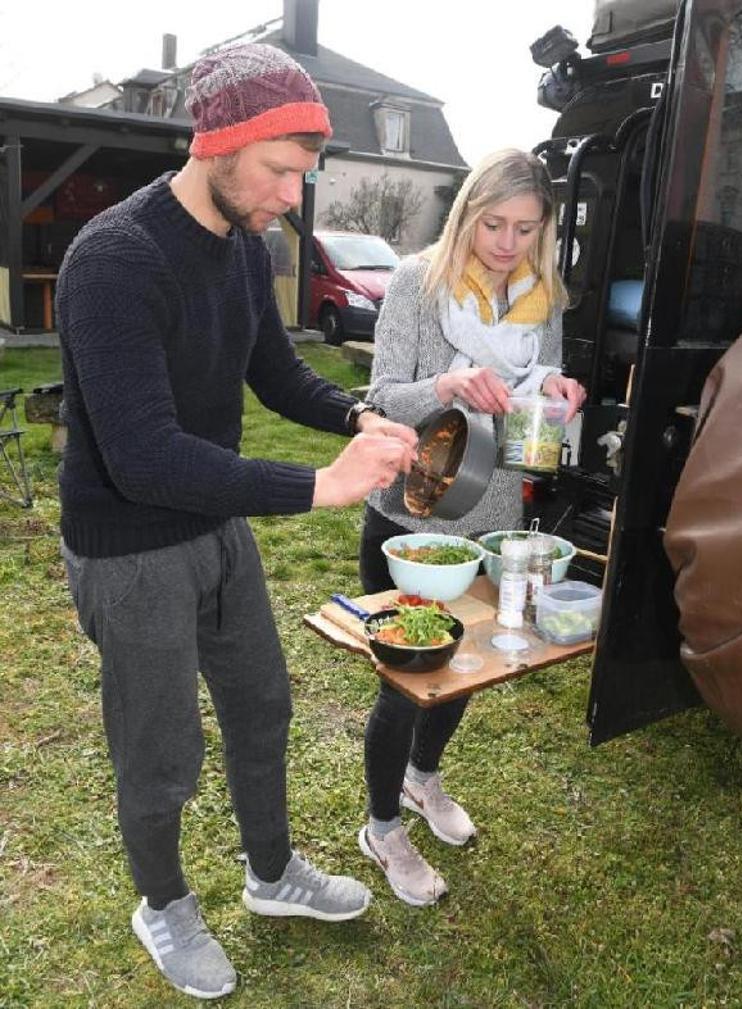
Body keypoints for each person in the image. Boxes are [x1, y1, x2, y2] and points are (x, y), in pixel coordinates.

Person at [55, 43, 417, 1000]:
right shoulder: (113, 259)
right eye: (282, 172)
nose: (294, 197)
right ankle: (163, 904)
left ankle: (271, 873)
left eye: (303, 175)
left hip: (215, 528)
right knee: (161, 746)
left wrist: (355, 415)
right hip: (128, 546)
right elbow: (143, 456)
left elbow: (276, 373)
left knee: (262, 705)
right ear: (218, 145)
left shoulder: (248, 251)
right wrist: (319, 485)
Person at [356, 148, 586, 906]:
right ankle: (381, 825)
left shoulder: (541, 296)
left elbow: (526, 429)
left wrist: (551, 396)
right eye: (493, 223)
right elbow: (384, 394)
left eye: (526, 228)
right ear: (467, 214)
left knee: (463, 672)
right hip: (412, 517)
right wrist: (445, 385)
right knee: (408, 678)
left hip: (492, 518)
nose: (507, 243)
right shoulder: (419, 284)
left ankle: (423, 781)